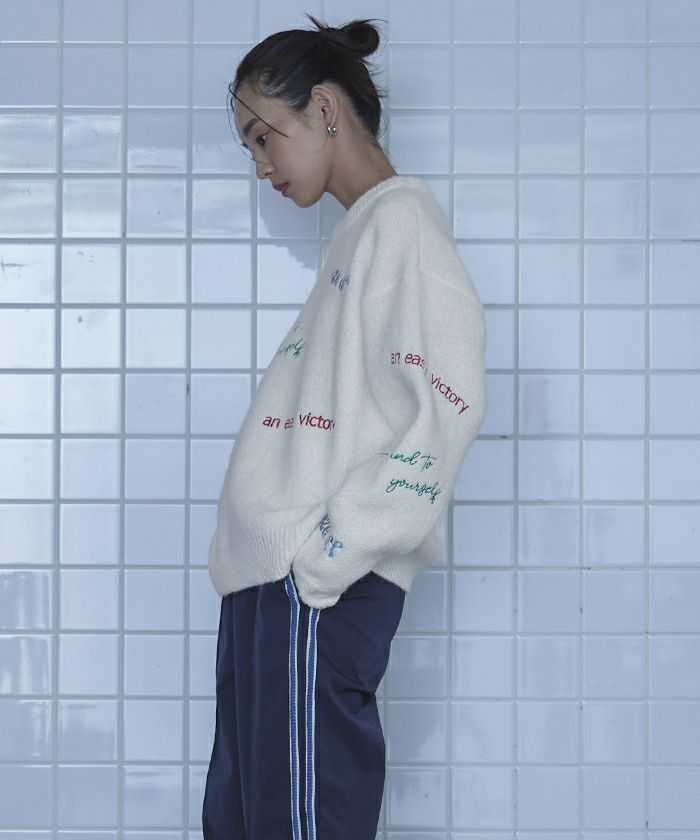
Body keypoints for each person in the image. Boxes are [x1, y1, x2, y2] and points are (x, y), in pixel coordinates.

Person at [201, 13, 488, 840]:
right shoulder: (361, 236)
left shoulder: (402, 228)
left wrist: (327, 557)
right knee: (254, 822)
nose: (260, 165)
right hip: (273, 592)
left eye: (263, 137)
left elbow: (446, 409)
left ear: (324, 108)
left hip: (312, 592)